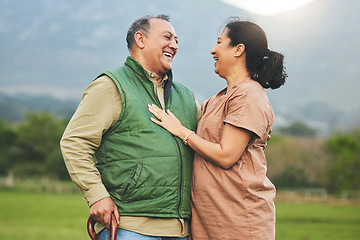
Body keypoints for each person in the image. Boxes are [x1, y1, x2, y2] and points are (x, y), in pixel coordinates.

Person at [60, 14, 201, 240]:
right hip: (130, 227)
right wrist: (96, 196)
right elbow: (74, 142)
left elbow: (210, 141)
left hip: (183, 230)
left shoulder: (186, 97)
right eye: (167, 37)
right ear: (140, 39)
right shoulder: (110, 86)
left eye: (177, 40)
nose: (174, 45)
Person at [148, 17, 287, 240]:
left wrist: (182, 132)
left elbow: (226, 155)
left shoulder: (249, 94)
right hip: (210, 221)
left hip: (239, 220)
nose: (213, 50)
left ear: (238, 49)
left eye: (220, 43)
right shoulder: (216, 100)